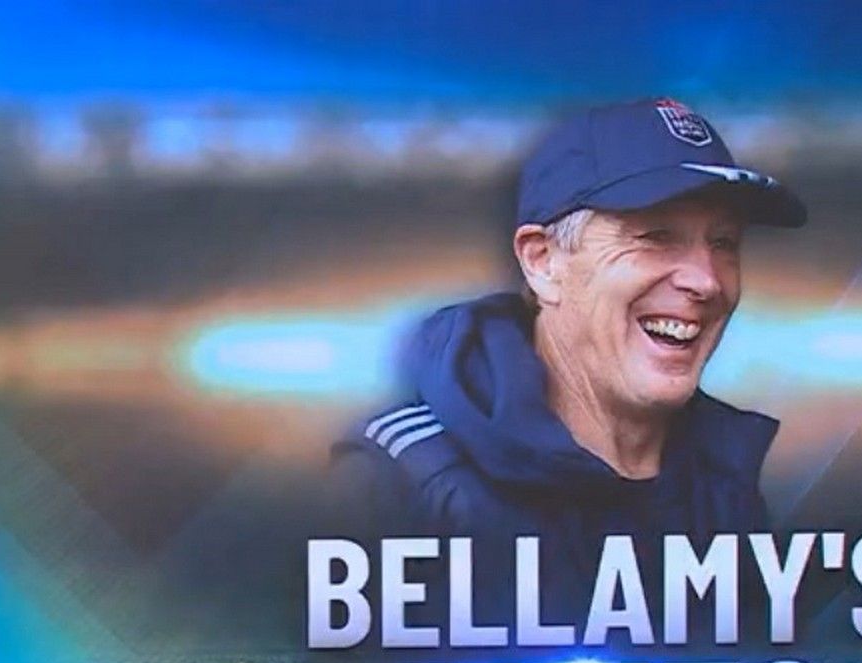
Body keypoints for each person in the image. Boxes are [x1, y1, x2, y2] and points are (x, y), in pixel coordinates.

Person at [332, 99, 807, 616]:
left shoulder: (723, 482)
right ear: (542, 262)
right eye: (655, 236)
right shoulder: (402, 477)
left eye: (725, 243)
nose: (707, 281)